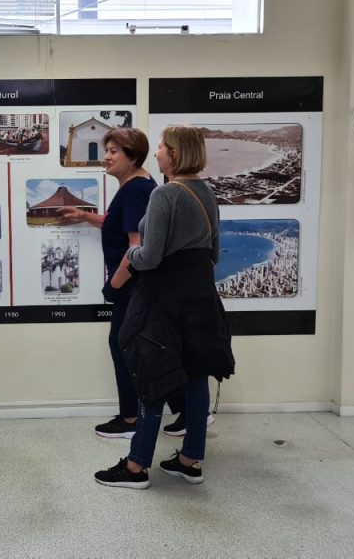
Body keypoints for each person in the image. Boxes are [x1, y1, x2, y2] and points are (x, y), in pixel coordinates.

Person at [94, 124, 235, 489]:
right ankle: (190, 461)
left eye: (160, 147)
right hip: (200, 296)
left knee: (151, 374)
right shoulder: (206, 193)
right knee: (194, 372)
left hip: (164, 299)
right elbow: (214, 255)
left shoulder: (165, 195)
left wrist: (127, 263)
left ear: (173, 154)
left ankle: (136, 466)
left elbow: (149, 255)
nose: (156, 153)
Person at [59, 127, 155, 439]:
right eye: (107, 150)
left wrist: (114, 284)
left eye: (114, 151)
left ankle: (130, 420)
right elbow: (119, 224)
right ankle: (135, 414)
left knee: (122, 346)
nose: (107, 157)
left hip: (131, 286)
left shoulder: (134, 190)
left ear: (133, 156)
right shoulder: (137, 186)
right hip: (135, 285)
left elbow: (136, 246)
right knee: (128, 347)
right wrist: (85, 216)